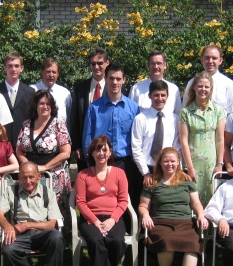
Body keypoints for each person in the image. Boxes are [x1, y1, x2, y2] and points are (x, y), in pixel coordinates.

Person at [138, 147, 208, 266]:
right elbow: (143, 205)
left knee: (192, 243)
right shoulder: (152, 183)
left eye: (173, 161)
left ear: (178, 163)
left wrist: (201, 215)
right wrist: (146, 215)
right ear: (160, 163)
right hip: (161, 222)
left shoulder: (187, 181)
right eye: (166, 161)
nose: (169, 164)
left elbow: (196, 203)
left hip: (185, 222)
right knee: (166, 240)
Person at [0, 161, 66, 266]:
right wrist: (7, 226)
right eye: (24, 177)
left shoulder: (48, 193)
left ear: (39, 176)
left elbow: (52, 222)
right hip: (21, 235)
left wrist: (27, 225)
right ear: (19, 178)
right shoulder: (11, 191)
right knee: (8, 249)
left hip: (42, 233)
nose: (28, 181)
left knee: (57, 237)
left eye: (31, 177)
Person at [82, 62, 141, 209]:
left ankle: (129, 230)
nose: (115, 82)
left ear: (124, 80)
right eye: (111, 78)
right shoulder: (94, 108)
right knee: (103, 200)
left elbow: (139, 137)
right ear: (106, 79)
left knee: (127, 200)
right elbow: (88, 138)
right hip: (102, 162)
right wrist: (91, 162)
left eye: (118, 79)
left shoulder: (133, 108)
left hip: (126, 162)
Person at [75, 135, 129, 266]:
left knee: (116, 241)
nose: (101, 153)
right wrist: (96, 222)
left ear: (110, 153)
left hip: (113, 216)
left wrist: (113, 219)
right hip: (91, 218)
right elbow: (81, 203)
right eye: (97, 150)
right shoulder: (83, 175)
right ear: (92, 153)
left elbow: (123, 201)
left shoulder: (120, 173)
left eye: (104, 150)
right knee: (96, 240)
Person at [16, 90, 72, 232]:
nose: (45, 107)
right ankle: (32, 236)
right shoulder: (27, 124)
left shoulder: (59, 124)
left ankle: (60, 240)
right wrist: (29, 167)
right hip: (32, 174)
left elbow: (66, 153)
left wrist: (45, 167)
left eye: (48, 104)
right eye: (41, 103)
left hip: (54, 174)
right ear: (35, 106)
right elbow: (19, 150)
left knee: (55, 210)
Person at [178, 72, 226, 205]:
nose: (203, 90)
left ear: (211, 89)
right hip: (193, 162)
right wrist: (189, 167)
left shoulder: (218, 110)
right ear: (194, 88)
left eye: (206, 87)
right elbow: (184, 141)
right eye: (200, 86)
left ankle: (211, 226)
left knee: (213, 199)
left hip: (212, 163)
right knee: (193, 198)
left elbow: (220, 139)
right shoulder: (185, 112)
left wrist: (219, 163)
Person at [131, 80, 181, 186]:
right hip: (145, 169)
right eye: (156, 95)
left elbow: (176, 146)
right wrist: (145, 173)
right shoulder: (140, 119)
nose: (160, 99)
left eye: (163, 95)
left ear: (168, 96)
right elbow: (136, 147)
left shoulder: (174, 119)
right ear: (150, 96)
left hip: (167, 169)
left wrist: (176, 169)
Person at [70, 47, 110, 171]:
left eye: (100, 63)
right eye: (93, 63)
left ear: (107, 63)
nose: (96, 67)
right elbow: (74, 118)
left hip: (106, 149)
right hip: (85, 149)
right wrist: (77, 146)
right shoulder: (79, 88)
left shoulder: (114, 87)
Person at [0, 52, 36, 152]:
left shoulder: (30, 92)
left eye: (16, 66)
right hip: (0, 144)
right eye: (10, 66)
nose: (13, 69)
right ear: (4, 68)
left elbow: (33, 118)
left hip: (23, 144)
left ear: (22, 68)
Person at [184, 45, 233, 116]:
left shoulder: (229, 85)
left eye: (214, 58)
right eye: (207, 58)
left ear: (220, 61)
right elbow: (185, 109)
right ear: (202, 60)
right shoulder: (192, 83)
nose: (210, 61)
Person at [129, 50, 182, 115]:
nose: (156, 66)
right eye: (152, 63)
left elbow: (178, 115)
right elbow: (131, 115)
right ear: (148, 66)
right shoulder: (136, 89)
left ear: (165, 65)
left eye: (159, 63)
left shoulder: (174, 89)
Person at [31, 57, 72, 123]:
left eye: (54, 72)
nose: (51, 75)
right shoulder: (32, 90)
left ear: (58, 74)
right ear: (42, 72)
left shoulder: (65, 93)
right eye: (48, 71)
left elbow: (70, 119)